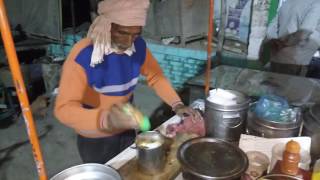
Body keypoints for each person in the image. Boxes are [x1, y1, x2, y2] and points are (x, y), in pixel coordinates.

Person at [54, 0, 201, 164]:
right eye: (122, 33)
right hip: (95, 137)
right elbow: (63, 109)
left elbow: (156, 77)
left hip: (127, 129)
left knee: (129, 167)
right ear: (106, 25)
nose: (128, 42)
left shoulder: (137, 47)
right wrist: (106, 119)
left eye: (135, 34)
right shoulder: (83, 54)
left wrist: (177, 104)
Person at [265, 0, 320, 76]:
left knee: (274, 84)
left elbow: (270, 29)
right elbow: (303, 34)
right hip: (296, 59)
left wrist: (276, 44)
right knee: (290, 86)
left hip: (277, 56)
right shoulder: (316, 4)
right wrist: (284, 44)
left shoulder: (287, 3)